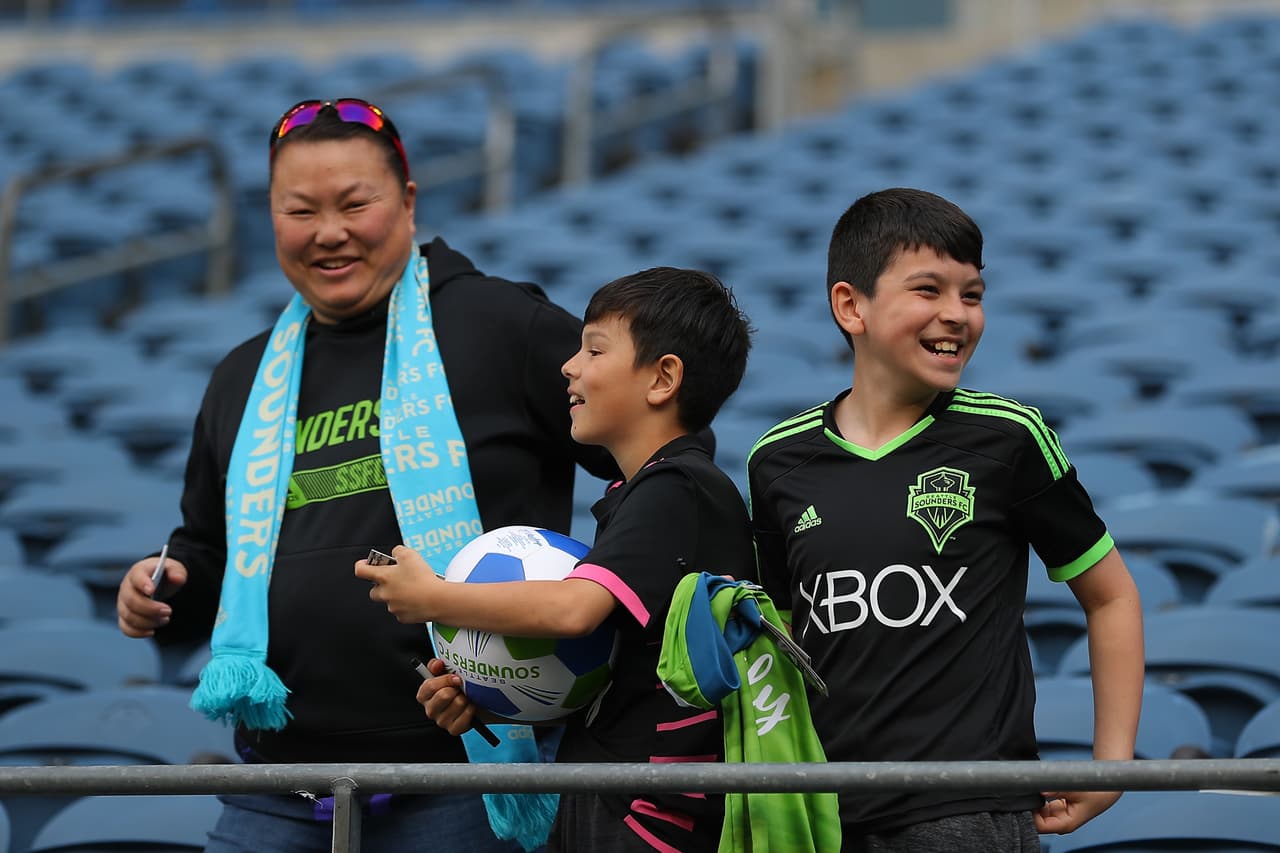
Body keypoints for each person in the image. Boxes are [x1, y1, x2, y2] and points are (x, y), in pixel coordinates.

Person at [114, 98, 616, 853]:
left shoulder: (502, 326)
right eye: (300, 209)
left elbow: (648, 459)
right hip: (275, 787)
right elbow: (206, 551)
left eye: (355, 203)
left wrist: (603, 593)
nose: (329, 232)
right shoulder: (242, 377)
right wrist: (167, 586)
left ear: (408, 201)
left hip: (465, 782)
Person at [747, 187, 1145, 852]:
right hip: (822, 816)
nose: (956, 315)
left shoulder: (1008, 437)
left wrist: (1112, 764)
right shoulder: (775, 459)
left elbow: (1112, 596)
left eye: (973, 294)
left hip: (968, 812)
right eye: (929, 290)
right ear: (852, 306)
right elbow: (780, 642)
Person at [355, 267, 763, 852]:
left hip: (651, 814)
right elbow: (625, 675)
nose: (569, 366)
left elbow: (574, 612)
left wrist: (434, 598)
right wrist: (493, 698)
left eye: (594, 348)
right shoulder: (645, 492)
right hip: (612, 790)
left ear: (663, 379)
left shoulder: (676, 487)